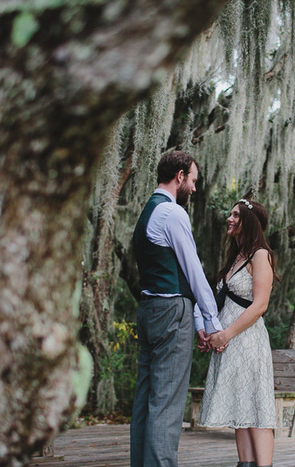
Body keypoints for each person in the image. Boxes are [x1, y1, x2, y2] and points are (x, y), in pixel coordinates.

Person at [130, 151, 222, 467]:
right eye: (193, 181)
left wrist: (198, 321)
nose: (194, 189)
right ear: (180, 176)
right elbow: (194, 272)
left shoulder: (147, 212)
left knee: (146, 399)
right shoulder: (172, 213)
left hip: (149, 310)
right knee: (167, 403)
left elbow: (179, 273)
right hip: (171, 312)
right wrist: (213, 324)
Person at [198, 198, 279, 467]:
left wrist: (227, 334)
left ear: (250, 222)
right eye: (230, 214)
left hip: (248, 341)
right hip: (230, 341)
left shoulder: (260, 255)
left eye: (236, 215)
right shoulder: (236, 258)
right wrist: (211, 333)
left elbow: (260, 304)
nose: (229, 219)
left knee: (255, 408)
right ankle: (244, 464)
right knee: (240, 409)